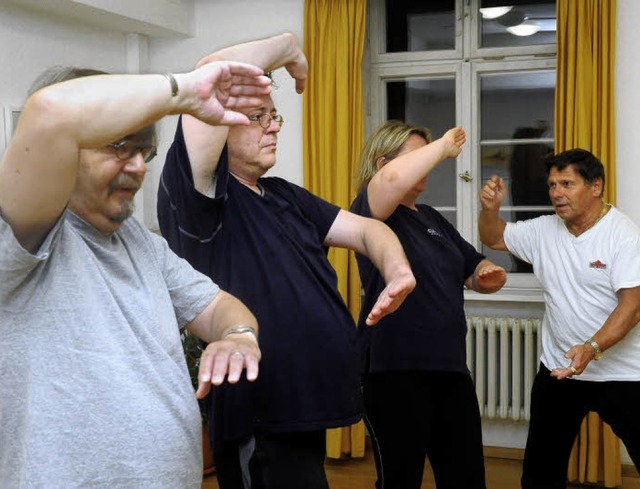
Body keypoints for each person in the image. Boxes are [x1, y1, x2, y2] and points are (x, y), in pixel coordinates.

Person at [157, 33, 416, 489]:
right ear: (219, 124)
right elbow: (212, 71)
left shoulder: (283, 195)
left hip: (305, 408)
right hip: (260, 415)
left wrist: (396, 267)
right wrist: (289, 48)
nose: (273, 126)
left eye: (273, 116)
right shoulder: (200, 199)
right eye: (257, 117)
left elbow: (366, 229)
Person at [0, 62, 271, 487]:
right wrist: (181, 91)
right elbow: (50, 109)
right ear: (63, 151)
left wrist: (238, 335)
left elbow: (217, 305)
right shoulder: (22, 238)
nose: (140, 167)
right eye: (119, 146)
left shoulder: (137, 240)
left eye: (143, 152)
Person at [350, 120, 507, 489]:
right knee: (401, 479)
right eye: (416, 156)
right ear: (382, 163)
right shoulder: (369, 210)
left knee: (466, 477)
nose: (428, 164)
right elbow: (390, 183)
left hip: (450, 370)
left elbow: (471, 265)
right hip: (394, 373)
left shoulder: (433, 218)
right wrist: (441, 145)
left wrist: (487, 273)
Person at [478, 148, 640, 489]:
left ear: (596, 186)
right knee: (540, 472)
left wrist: (592, 347)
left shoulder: (623, 235)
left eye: (567, 183)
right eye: (552, 184)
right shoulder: (543, 231)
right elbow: (492, 237)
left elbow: (632, 307)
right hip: (559, 369)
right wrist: (490, 210)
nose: (556, 193)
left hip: (623, 372)